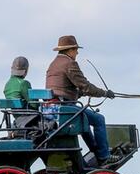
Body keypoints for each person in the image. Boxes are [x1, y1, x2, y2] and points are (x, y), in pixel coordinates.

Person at [45, 35, 116, 166]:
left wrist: (79, 93)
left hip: (51, 108)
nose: (77, 52)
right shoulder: (69, 63)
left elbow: (62, 88)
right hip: (64, 108)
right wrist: (104, 93)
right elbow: (86, 86)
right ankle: (104, 156)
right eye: (75, 49)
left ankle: (96, 151)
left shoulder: (53, 64)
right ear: (69, 50)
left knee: (85, 121)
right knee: (99, 119)